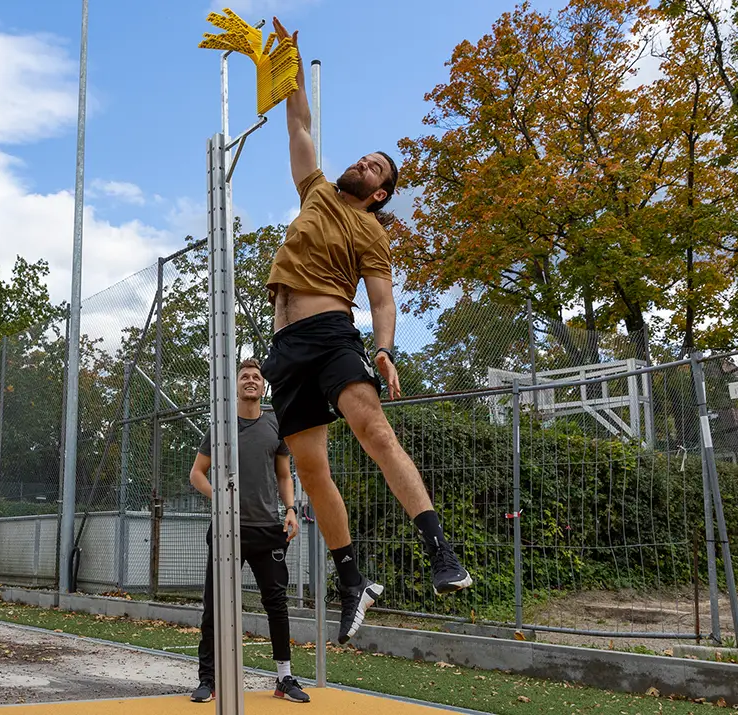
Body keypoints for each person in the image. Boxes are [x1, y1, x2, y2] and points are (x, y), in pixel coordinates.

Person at [258, 17, 473, 646]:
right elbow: (299, 124)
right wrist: (286, 61)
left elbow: (383, 299)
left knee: (374, 431)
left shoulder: (373, 233)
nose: (363, 163)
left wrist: (383, 347)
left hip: (332, 332)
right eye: (364, 156)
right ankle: (354, 581)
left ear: (381, 194)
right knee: (312, 469)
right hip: (285, 348)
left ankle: (439, 550)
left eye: (375, 166)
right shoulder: (316, 192)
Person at [188, 358, 310, 705]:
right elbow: (197, 474)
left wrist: (290, 510)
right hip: (227, 529)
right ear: (237, 385)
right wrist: (220, 499)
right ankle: (207, 679)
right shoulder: (221, 427)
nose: (251, 381)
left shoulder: (275, 426)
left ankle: (284, 678)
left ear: (263, 386)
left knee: (276, 604)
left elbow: (285, 476)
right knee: (215, 606)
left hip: (267, 528)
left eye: (257, 377)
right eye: (245, 376)